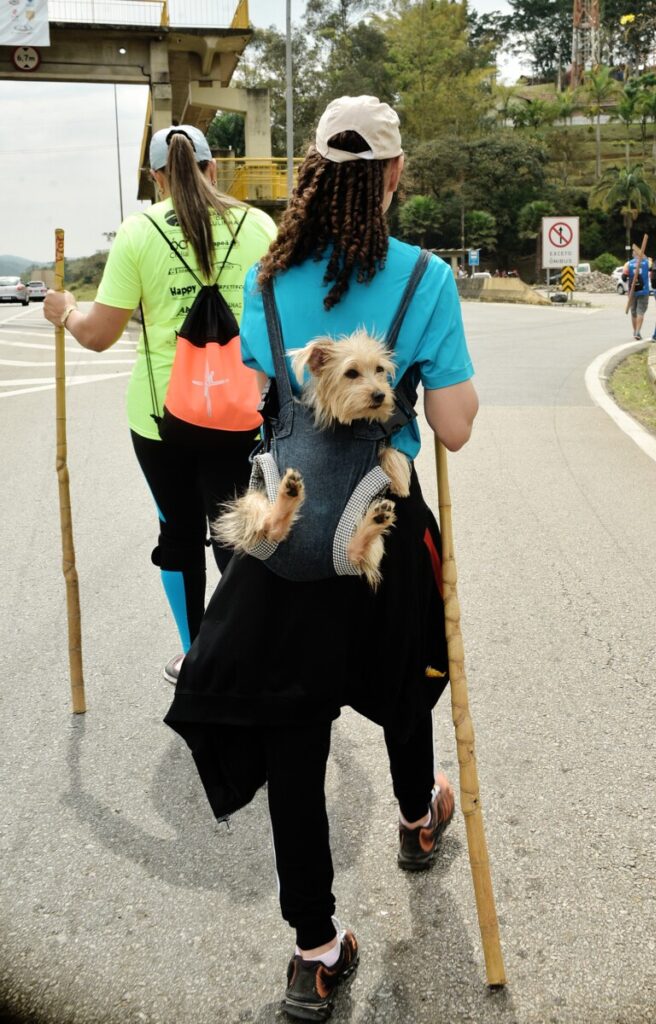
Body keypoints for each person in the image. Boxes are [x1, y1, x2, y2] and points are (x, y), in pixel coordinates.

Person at [164, 96, 479, 1021]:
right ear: (393, 175)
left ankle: (313, 949)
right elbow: (453, 429)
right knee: (406, 681)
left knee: (294, 740)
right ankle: (420, 822)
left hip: (286, 548)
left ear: (310, 174)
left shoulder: (268, 281)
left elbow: (264, 405)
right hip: (376, 529)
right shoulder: (427, 280)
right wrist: (413, 406)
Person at [43, 126, 276, 683]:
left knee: (178, 533)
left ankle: (197, 656)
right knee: (240, 534)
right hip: (244, 412)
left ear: (156, 178)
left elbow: (99, 334)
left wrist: (66, 310)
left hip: (160, 419)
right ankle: (245, 649)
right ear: (213, 168)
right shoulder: (260, 225)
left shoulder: (138, 231)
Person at [622, 247, 650, 340]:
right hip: (644, 290)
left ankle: (635, 332)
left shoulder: (628, 264)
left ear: (633, 254)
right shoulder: (647, 262)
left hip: (632, 291)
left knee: (633, 312)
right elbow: (653, 269)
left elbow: (623, 278)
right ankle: (638, 331)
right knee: (640, 311)